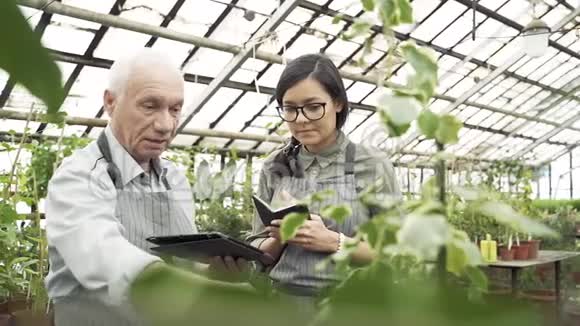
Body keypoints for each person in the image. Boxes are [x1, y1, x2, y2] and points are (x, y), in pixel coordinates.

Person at [44, 48, 247, 326]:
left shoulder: (174, 178)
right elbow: (112, 265)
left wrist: (210, 272)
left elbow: (179, 261)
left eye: (175, 109)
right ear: (110, 102)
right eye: (150, 106)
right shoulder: (79, 178)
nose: (166, 125)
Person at [248, 53, 401, 302]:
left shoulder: (372, 164)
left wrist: (334, 241)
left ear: (338, 103)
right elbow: (258, 250)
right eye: (290, 109)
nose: (301, 119)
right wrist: (279, 239)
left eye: (313, 107)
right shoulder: (275, 166)